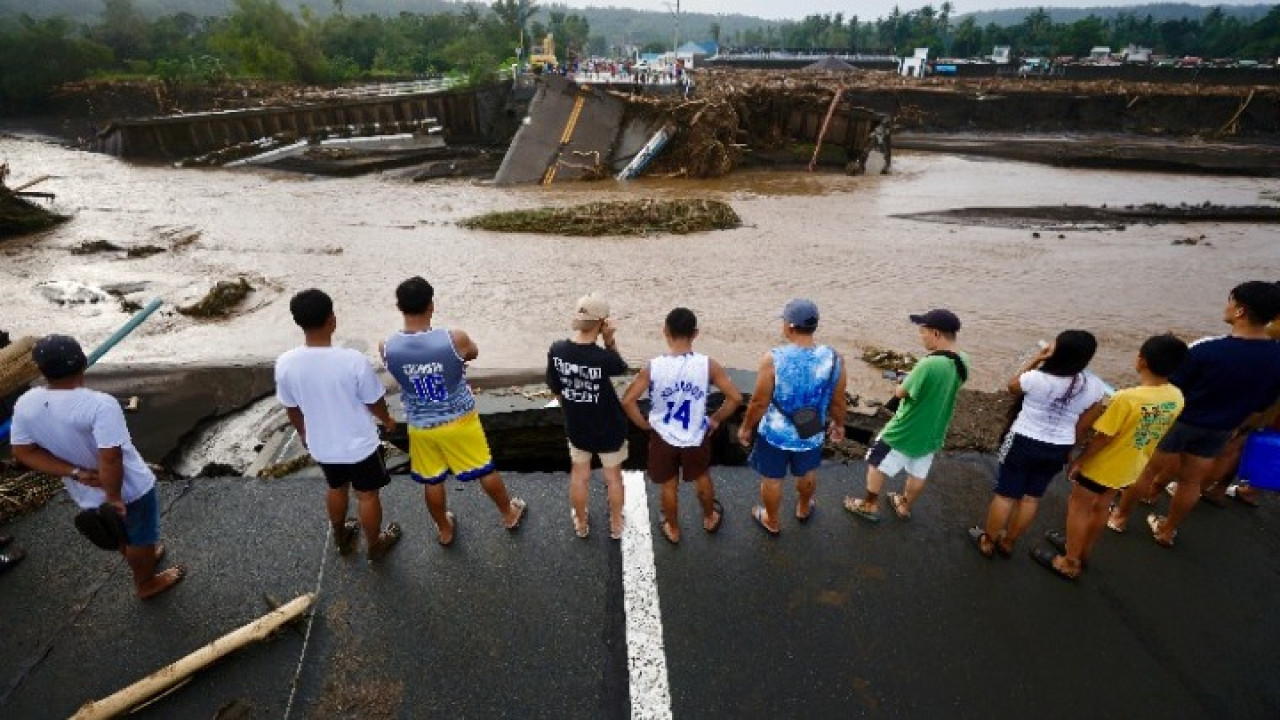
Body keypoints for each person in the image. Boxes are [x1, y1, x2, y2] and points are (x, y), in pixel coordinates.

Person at [11, 334, 186, 599]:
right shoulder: (100, 404)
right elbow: (111, 458)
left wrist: (75, 472)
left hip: (84, 490)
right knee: (141, 535)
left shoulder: (27, 403)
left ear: (41, 370)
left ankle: (137, 553)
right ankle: (146, 583)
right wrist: (114, 497)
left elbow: (24, 452)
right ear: (83, 363)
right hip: (128, 488)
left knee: (116, 530)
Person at [1109, 281, 1280, 546]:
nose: (1227, 306)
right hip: (1223, 427)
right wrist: (1237, 424)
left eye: (1231, 301)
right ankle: (1166, 530)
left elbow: (1171, 388)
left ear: (1240, 312)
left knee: (1147, 468)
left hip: (1180, 420)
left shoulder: (1208, 350)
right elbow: (1264, 401)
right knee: (1191, 482)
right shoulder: (1276, 357)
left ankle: (1120, 517)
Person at [383, 277, 527, 545]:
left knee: (432, 479)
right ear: (431, 305)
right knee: (484, 468)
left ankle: (445, 529)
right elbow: (472, 353)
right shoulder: (453, 339)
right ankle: (509, 513)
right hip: (460, 419)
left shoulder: (388, 346)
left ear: (399, 307)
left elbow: (395, 370)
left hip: (420, 424)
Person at [1033, 334, 1188, 579]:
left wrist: (1080, 459)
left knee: (1079, 506)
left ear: (1142, 361)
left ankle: (1069, 561)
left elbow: (1103, 437)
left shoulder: (1126, 398)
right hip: (1131, 464)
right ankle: (1082, 551)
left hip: (1102, 465)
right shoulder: (1176, 397)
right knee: (1102, 506)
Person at [276, 289, 402, 561]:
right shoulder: (352, 360)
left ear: (298, 322)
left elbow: (292, 408)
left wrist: (304, 433)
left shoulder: (285, 363)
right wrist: (388, 420)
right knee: (367, 495)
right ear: (332, 319)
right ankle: (375, 544)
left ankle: (340, 532)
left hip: (322, 445)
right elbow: (374, 401)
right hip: (359, 445)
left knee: (336, 487)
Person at [968, 330, 1106, 557]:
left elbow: (1012, 387)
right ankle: (1009, 542)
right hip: (1059, 446)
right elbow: (1082, 426)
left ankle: (988, 541)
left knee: (1005, 494)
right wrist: (1070, 449)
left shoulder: (1037, 378)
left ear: (1058, 351)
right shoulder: (1095, 386)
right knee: (1031, 497)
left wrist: (1037, 359)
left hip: (1024, 440)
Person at [621, 308, 743, 544]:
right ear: (695, 333)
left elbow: (628, 401)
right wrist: (715, 419)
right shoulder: (708, 365)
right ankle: (709, 517)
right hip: (696, 434)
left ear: (665, 331)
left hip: (662, 435)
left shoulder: (653, 366)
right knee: (701, 476)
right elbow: (735, 398)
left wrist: (644, 425)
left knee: (669, 484)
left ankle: (673, 528)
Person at [845, 309, 967, 523]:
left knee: (876, 461)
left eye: (923, 331)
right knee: (918, 471)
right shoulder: (963, 360)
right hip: (934, 431)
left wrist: (902, 382)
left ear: (936, 333)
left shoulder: (928, 363)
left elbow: (901, 393)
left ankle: (869, 505)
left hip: (905, 429)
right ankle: (904, 505)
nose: (921, 335)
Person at [737, 299, 847, 537]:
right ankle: (804, 508)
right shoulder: (834, 358)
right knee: (807, 471)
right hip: (811, 431)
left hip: (775, 434)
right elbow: (838, 401)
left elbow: (758, 402)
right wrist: (838, 424)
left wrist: (746, 427)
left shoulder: (773, 359)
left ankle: (772, 520)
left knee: (773, 478)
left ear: (789, 326)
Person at [546, 294, 630, 540]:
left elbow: (555, 387)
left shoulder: (557, 350)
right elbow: (620, 366)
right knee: (613, 478)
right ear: (602, 322)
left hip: (577, 426)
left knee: (580, 476)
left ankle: (581, 523)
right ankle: (616, 524)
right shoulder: (603, 357)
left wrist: (571, 407)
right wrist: (610, 339)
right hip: (609, 427)